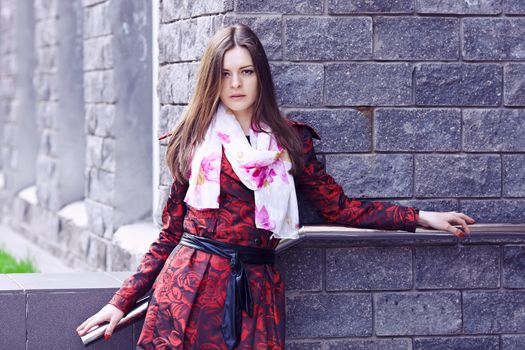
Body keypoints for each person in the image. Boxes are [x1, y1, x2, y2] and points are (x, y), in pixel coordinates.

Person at [76, 24, 476, 349]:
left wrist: (421, 218)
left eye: (245, 71)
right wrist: (119, 302)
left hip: (256, 294)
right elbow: (169, 235)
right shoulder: (194, 139)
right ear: (212, 80)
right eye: (225, 73)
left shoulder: (289, 141)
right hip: (188, 291)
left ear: (260, 76)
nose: (235, 84)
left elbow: (341, 208)